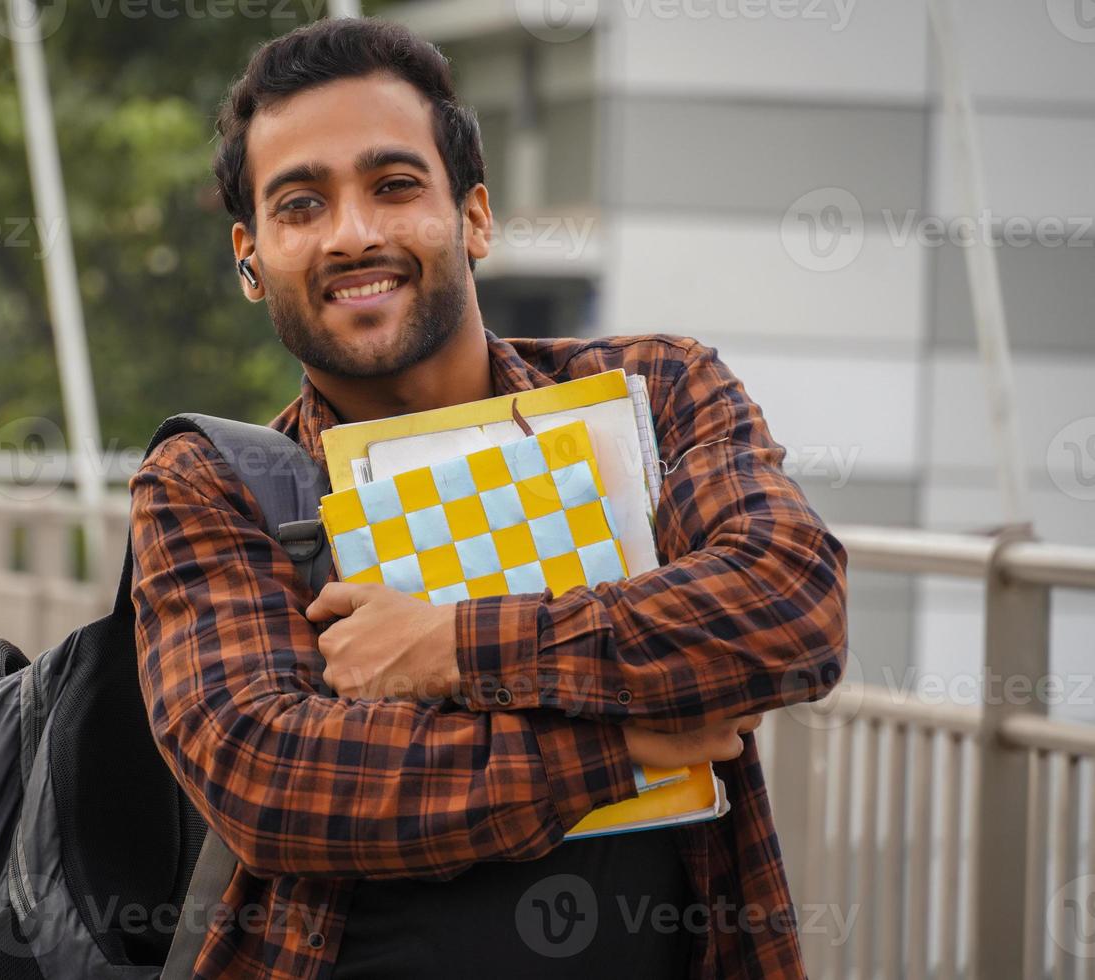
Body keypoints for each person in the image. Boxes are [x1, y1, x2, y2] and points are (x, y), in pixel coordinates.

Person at [127, 17, 847, 979]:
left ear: (473, 217)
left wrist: (447, 647)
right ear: (250, 258)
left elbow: (789, 608)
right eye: (301, 205)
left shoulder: (654, 394)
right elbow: (274, 777)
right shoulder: (216, 484)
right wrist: (629, 746)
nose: (353, 234)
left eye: (394, 186)